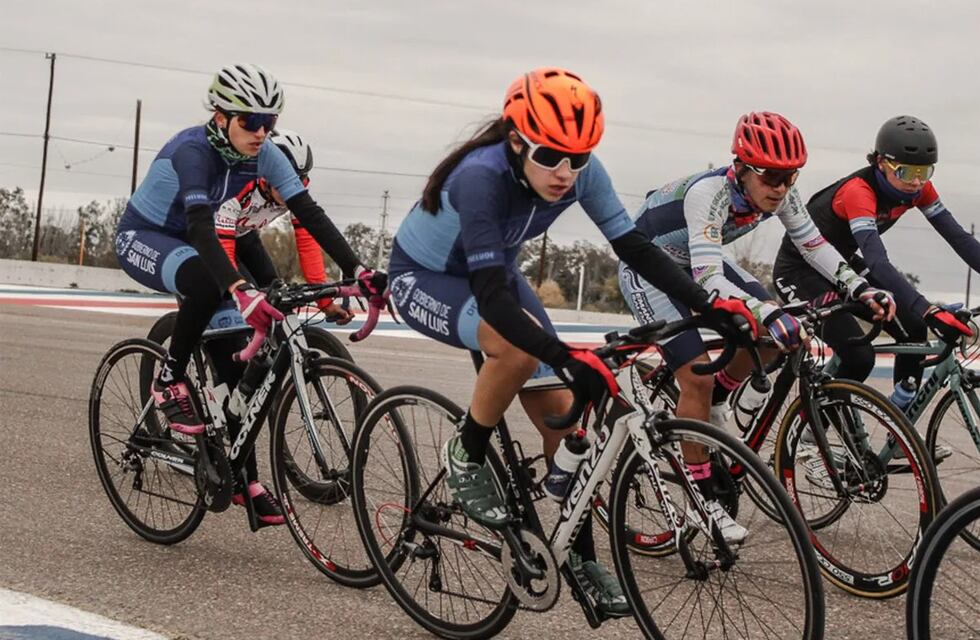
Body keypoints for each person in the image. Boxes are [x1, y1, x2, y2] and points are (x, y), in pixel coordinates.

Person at [387, 67, 755, 616]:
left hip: (496, 276)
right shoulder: (479, 177)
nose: (565, 172)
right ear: (516, 140)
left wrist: (713, 308)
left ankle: (580, 558)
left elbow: (634, 247)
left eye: (577, 159)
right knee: (519, 348)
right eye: (550, 156)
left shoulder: (580, 169)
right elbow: (490, 297)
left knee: (565, 420)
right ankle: (466, 452)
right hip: (427, 277)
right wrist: (565, 355)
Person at [115, 63, 385, 527]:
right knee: (208, 283)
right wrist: (239, 289)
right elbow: (201, 228)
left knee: (236, 363)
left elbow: (309, 214)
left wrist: (359, 269)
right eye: (249, 121)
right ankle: (169, 378)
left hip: (208, 243)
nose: (261, 131)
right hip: (151, 236)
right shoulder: (194, 151)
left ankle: (244, 477)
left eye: (269, 122)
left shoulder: (265, 155)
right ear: (221, 116)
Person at [618, 111, 895, 543]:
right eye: (771, 177)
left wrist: (860, 288)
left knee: (780, 336)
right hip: (649, 267)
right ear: (742, 167)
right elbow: (710, 280)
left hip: (694, 259)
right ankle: (703, 495)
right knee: (696, 376)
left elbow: (814, 245)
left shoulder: (784, 194)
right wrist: (766, 311)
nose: (781, 187)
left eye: (790, 176)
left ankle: (717, 400)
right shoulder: (708, 193)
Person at [773, 115, 976, 389]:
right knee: (859, 358)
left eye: (924, 172)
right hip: (799, 271)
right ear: (881, 162)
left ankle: (900, 419)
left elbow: (959, 238)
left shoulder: (918, 190)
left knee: (914, 328)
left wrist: (921, 314)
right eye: (906, 172)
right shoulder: (859, 191)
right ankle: (812, 427)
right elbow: (878, 262)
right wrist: (928, 310)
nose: (917, 183)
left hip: (842, 264)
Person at [214, 128, 353, 323]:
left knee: (276, 294)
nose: (292, 184)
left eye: (301, 178)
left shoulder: (297, 190)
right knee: (245, 296)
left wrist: (325, 303)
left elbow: (307, 243)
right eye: (285, 177)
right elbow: (224, 248)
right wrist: (239, 290)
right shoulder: (240, 186)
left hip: (244, 236)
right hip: (211, 239)